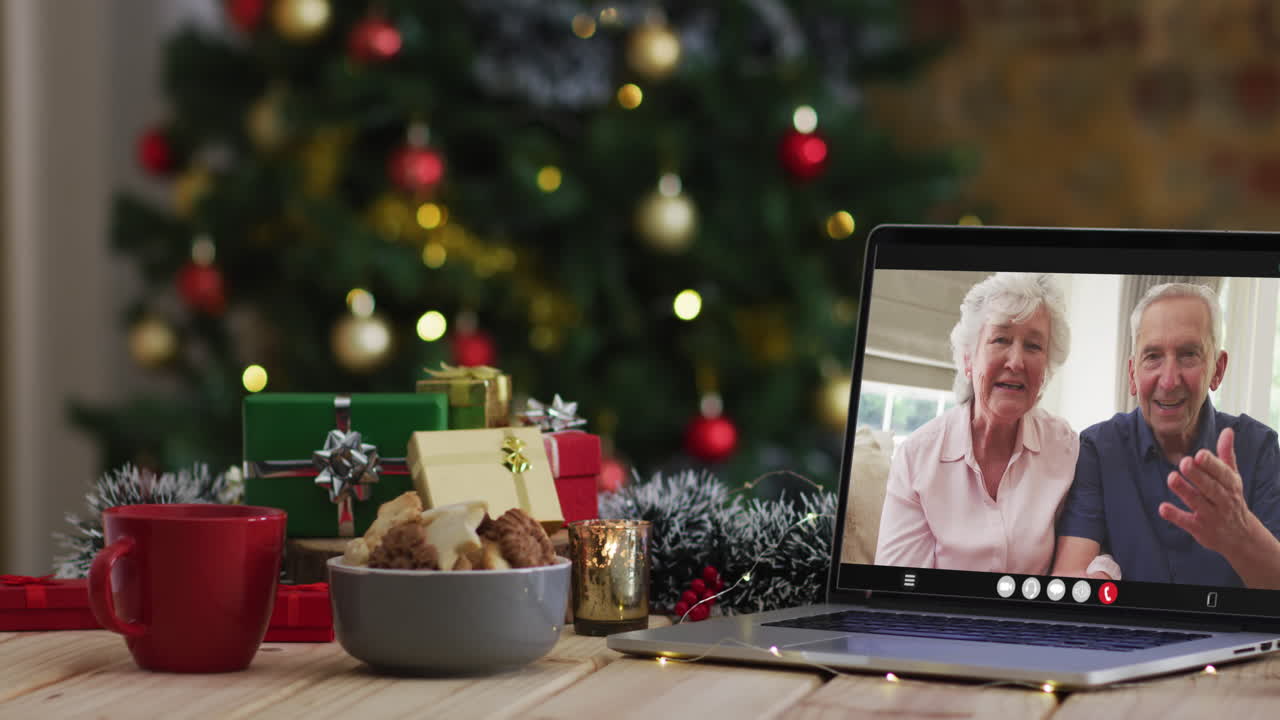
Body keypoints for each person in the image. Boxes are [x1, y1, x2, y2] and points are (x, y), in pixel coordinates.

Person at [1053, 283, 1280, 589]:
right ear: (1133, 374)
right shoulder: (1099, 448)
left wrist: (1241, 537)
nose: (1170, 380)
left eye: (1188, 355)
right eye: (1153, 356)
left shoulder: (1259, 447)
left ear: (1218, 369)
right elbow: (1070, 583)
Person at [875, 273, 1079, 573]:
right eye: (1001, 339)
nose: (1016, 361)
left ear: (1046, 367)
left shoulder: (1065, 448)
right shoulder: (917, 458)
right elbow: (896, 588)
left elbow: (1094, 545)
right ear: (969, 359)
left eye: (1034, 346)